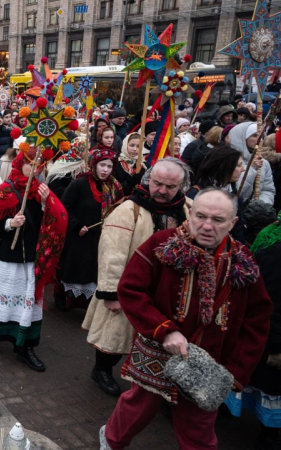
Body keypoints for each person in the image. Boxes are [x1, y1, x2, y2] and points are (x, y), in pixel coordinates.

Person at [100, 188, 272, 450]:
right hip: (157, 351)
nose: (206, 226)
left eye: (218, 220)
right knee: (138, 408)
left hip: (210, 361)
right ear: (190, 213)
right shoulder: (161, 243)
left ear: (233, 223)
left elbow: (257, 320)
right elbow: (131, 290)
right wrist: (164, 330)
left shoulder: (243, 260)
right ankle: (111, 440)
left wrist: (236, 371)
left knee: (199, 427)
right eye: (200, 216)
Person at [84, 158, 193, 397]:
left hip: (167, 289)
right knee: (114, 334)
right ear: (148, 179)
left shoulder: (188, 209)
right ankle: (101, 369)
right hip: (130, 287)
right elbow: (111, 254)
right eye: (157, 183)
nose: (162, 191)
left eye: (170, 186)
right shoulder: (127, 211)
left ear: (182, 186)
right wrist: (111, 293)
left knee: (159, 336)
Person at [0, 146, 68, 372]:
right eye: (31, 164)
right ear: (20, 164)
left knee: (27, 301)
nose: (35, 169)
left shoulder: (41, 189)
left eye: (39, 165)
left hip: (32, 259)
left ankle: (25, 345)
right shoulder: (5, 190)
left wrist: (47, 204)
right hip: (10, 258)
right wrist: (10, 224)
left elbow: (55, 220)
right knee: (5, 299)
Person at [224, 212, 281, 449]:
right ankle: (269, 435)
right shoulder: (275, 248)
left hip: (263, 330)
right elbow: (272, 302)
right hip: (270, 333)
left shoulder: (269, 235)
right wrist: (276, 346)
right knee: (268, 385)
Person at [56, 149, 123, 312]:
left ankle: (90, 305)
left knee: (94, 272)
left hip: (101, 237)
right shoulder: (79, 184)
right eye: (102, 165)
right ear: (94, 165)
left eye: (109, 166)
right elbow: (65, 207)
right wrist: (76, 225)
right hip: (79, 236)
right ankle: (64, 301)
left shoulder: (115, 186)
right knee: (74, 269)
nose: (105, 169)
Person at [230, 121, 276, 205]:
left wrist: (262, 205)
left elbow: (268, 190)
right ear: (243, 138)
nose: (259, 139)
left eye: (261, 136)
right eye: (254, 135)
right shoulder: (230, 161)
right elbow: (235, 191)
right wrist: (251, 169)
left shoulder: (264, 163)